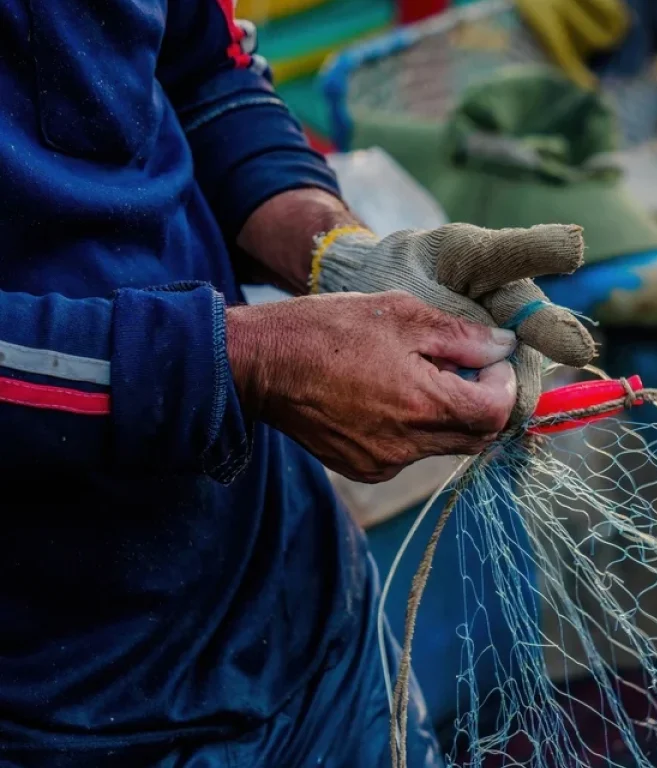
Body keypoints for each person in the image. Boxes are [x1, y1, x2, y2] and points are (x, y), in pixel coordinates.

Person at [0, 2, 594, 766]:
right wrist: (243, 364)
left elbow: (206, 71)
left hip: (300, 607)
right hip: (47, 707)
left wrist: (337, 252)